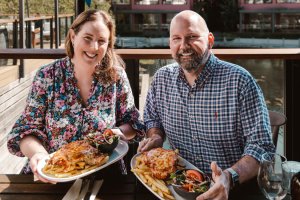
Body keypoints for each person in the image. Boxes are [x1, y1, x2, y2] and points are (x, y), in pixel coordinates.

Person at [138, 10, 275, 199]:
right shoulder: (161, 79)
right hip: (180, 189)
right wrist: (155, 136)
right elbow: (153, 118)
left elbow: (262, 146)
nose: (183, 46)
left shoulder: (240, 81)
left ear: (210, 40)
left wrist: (230, 176)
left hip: (236, 191)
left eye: (192, 37)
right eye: (176, 38)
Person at [7, 9, 144, 183]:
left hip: (105, 177)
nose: (94, 47)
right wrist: (39, 154)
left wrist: (118, 132)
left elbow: (133, 123)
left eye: (101, 41)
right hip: (53, 174)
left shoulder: (116, 77)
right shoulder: (47, 76)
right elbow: (25, 130)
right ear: (73, 36)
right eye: (87, 38)